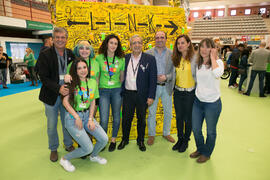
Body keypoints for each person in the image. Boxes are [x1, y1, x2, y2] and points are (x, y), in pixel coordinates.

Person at [60, 58, 108, 172]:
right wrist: (77, 117)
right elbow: (65, 102)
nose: (82, 70)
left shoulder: (92, 82)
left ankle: (94, 156)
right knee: (88, 148)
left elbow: (92, 102)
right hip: (73, 118)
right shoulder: (71, 82)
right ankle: (64, 159)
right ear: (75, 70)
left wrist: (91, 119)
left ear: (88, 68)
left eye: (84, 67)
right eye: (79, 68)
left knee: (104, 139)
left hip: (87, 116)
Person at [37, 27, 75, 162]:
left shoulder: (70, 54)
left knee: (67, 122)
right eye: (57, 37)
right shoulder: (45, 54)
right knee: (52, 124)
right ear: (53, 39)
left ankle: (69, 144)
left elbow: (75, 73)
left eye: (63, 37)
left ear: (66, 39)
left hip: (67, 95)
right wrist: (58, 88)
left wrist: (70, 90)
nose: (60, 40)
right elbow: (43, 77)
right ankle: (53, 148)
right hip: (51, 95)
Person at [117, 35, 157, 152]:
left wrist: (151, 96)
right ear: (130, 45)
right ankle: (125, 139)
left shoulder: (150, 59)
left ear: (142, 45)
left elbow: (153, 79)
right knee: (126, 119)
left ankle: (140, 140)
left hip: (142, 95)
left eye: (139, 42)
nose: (137, 45)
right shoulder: (125, 58)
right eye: (134, 43)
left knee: (141, 119)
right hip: (128, 94)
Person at [190, 38, 224, 163]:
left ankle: (207, 153)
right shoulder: (198, 63)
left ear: (213, 49)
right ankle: (200, 148)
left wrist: (213, 58)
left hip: (212, 104)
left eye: (207, 47)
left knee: (210, 131)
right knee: (196, 129)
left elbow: (217, 74)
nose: (204, 50)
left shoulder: (218, 62)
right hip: (198, 102)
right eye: (202, 47)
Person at [96, 34, 125, 152]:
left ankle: (113, 139)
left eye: (116, 44)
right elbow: (97, 77)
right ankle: (103, 140)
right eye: (111, 43)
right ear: (106, 43)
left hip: (116, 91)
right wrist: (96, 93)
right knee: (103, 119)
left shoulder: (121, 59)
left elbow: (122, 77)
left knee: (117, 117)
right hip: (103, 91)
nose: (113, 45)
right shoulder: (99, 58)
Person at [145, 31, 175, 146]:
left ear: (166, 39)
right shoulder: (148, 53)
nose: (159, 39)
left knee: (168, 112)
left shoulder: (172, 54)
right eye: (157, 38)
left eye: (162, 37)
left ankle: (166, 133)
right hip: (153, 88)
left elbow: (175, 72)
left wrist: (166, 77)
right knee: (152, 113)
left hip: (167, 87)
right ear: (154, 39)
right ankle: (151, 135)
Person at [171, 35, 197, 153]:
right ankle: (180, 139)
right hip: (178, 92)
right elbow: (173, 75)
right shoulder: (175, 58)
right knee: (179, 118)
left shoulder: (195, 59)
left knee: (188, 119)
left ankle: (186, 140)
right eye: (178, 43)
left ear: (188, 44)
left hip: (190, 94)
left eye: (182, 43)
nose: (180, 45)